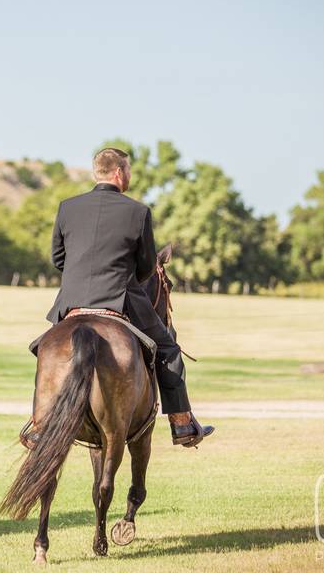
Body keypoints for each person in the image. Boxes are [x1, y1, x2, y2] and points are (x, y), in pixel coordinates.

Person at [44, 148, 214, 447]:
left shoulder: (67, 207)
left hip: (72, 300)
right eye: (130, 170)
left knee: (48, 352)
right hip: (119, 299)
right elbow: (148, 266)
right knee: (169, 350)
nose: (130, 176)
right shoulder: (138, 212)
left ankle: (37, 423)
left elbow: (59, 258)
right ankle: (182, 423)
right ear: (119, 173)